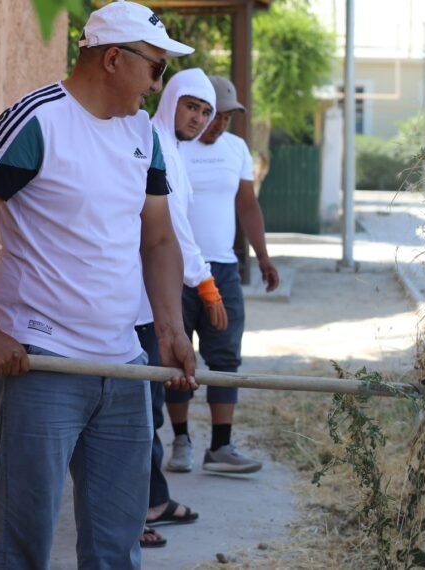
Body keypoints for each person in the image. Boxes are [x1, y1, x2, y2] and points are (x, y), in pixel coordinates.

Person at [0, 2, 198, 567]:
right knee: (24, 546)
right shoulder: (35, 121)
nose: (158, 84)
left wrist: (171, 330)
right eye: (156, 68)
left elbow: (158, 241)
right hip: (43, 366)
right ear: (111, 59)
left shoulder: (141, 138)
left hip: (124, 365)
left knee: (116, 548)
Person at [165, 75, 280, 474]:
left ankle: (221, 448)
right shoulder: (175, 146)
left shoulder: (236, 150)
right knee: (175, 358)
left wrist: (263, 257)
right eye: (213, 114)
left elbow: (247, 206)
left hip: (225, 270)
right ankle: (180, 441)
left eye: (227, 117)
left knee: (226, 358)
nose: (218, 124)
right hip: (176, 271)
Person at [136, 67, 223, 547]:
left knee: (146, 406)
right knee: (136, 411)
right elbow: (172, 231)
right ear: (171, 100)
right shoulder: (153, 141)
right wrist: (205, 281)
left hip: (150, 302)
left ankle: (152, 499)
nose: (199, 118)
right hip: (133, 301)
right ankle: (136, 512)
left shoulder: (175, 149)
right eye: (192, 106)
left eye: (206, 112)